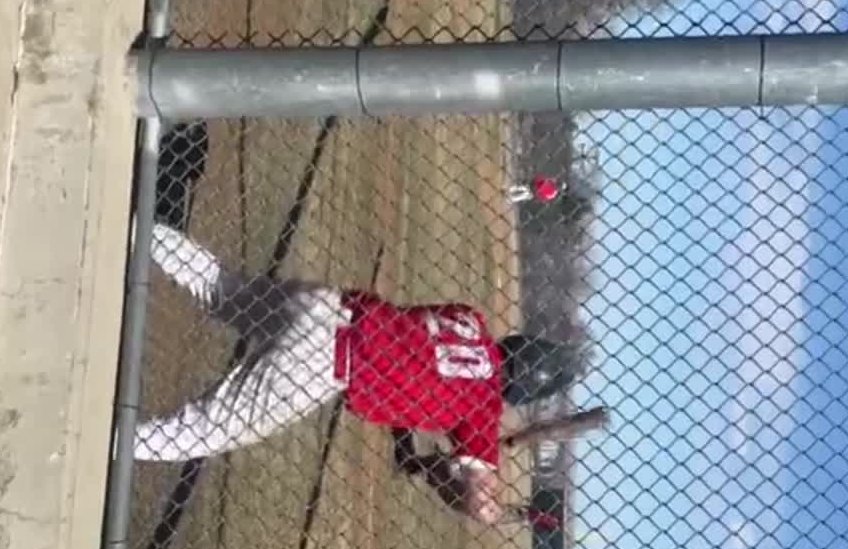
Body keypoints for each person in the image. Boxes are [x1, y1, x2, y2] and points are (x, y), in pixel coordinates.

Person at [136, 224, 595, 523]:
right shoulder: (483, 410)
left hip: (325, 306)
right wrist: (489, 506)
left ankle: (143, 228)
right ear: (521, 392)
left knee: (224, 289)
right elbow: (478, 502)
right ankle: (112, 438)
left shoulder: (468, 319)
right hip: (321, 364)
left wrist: (421, 454)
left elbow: (413, 358)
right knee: (202, 432)